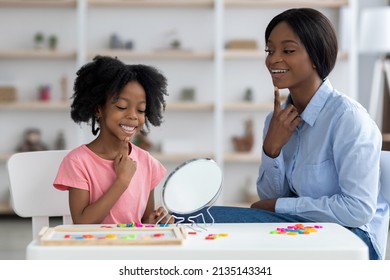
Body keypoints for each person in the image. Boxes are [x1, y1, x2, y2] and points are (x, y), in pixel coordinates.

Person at [187, 8, 388, 260]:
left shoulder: (348, 118)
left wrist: (280, 206)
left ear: (316, 56)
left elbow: (358, 209)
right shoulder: (277, 119)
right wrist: (271, 149)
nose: (273, 60)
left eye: (288, 50)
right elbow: (270, 199)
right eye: (270, 50)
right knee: (192, 221)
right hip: (297, 229)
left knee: (206, 225)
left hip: (350, 237)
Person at [53, 55, 172, 225]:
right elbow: (82, 223)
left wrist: (154, 220)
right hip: (93, 249)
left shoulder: (147, 162)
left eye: (141, 110)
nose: (132, 115)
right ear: (98, 109)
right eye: (121, 107)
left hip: (133, 249)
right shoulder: (77, 162)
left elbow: (143, 221)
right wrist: (122, 181)